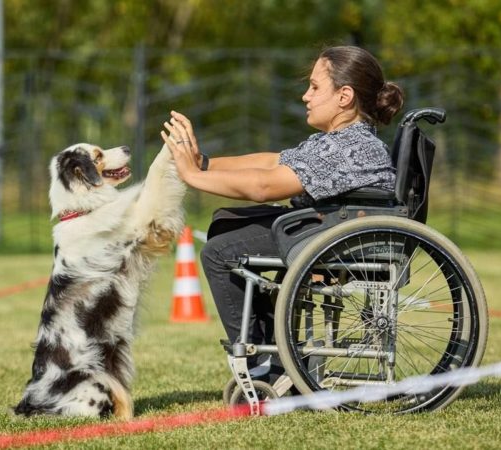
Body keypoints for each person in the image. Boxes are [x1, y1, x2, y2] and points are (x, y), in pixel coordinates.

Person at [160, 46, 404, 380]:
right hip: (330, 228)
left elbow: (265, 186)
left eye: (315, 87)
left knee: (220, 252)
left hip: (335, 236)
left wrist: (194, 177)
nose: (306, 96)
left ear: (344, 96)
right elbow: (272, 161)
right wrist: (204, 162)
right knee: (225, 225)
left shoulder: (347, 148)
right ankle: (273, 354)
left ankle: (265, 364)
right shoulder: (340, 140)